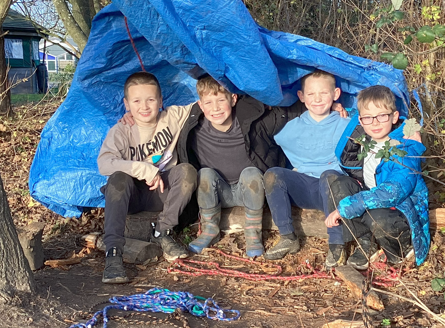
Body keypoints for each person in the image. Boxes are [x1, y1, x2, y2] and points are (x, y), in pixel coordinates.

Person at [176, 76, 303, 258]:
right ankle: (210, 229)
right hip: (219, 193)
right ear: (200, 106)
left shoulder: (252, 122)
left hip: (250, 192)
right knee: (204, 174)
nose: (215, 108)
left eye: (221, 100)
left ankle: (253, 232)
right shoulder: (194, 127)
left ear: (233, 99)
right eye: (209, 103)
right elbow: (162, 119)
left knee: (251, 173)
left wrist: (326, 105)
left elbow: (285, 113)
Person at [97, 72, 197, 283]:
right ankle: (113, 253)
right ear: (126, 104)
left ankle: (162, 232)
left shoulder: (172, 117)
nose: (144, 106)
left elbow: (207, 103)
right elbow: (104, 163)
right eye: (136, 101)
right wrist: (145, 170)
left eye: (150, 99)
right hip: (131, 196)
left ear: (160, 101)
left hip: (160, 193)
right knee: (118, 179)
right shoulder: (121, 130)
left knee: (186, 172)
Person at [324, 85, 430, 270]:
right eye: (368, 118)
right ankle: (367, 243)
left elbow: (393, 192)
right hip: (373, 200)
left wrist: (348, 207)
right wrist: (337, 106)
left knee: (376, 217)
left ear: (394, 117)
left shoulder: (405, 148)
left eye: (382, 116)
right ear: (361, 121)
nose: (375, 123)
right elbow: (354, 114)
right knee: (339, 184)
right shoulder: (365, 142)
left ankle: (401, 250)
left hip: (400, 210)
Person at [263, 70, 351, 266]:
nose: (317, 99)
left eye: (324, 93)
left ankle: (337, 244)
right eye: (311, 94)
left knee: (329, 176)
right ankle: (288, 237)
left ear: (336, 94)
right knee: (273, 175)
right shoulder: (290, 127)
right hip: (303, 187)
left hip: (332, 189)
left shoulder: (345, 124)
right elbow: (263, 132)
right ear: (301, 97)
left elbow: (371, 123)